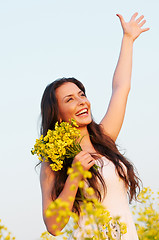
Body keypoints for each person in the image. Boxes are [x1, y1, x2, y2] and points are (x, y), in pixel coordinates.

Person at [39, 13, 149, 239]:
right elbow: (54, 226)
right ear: (57, 115)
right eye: (69, 99)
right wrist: (74, 175)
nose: (82, 101)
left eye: (81, 94)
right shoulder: (53, 162)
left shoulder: (105, 137)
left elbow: (121, 88)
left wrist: (127, 40)